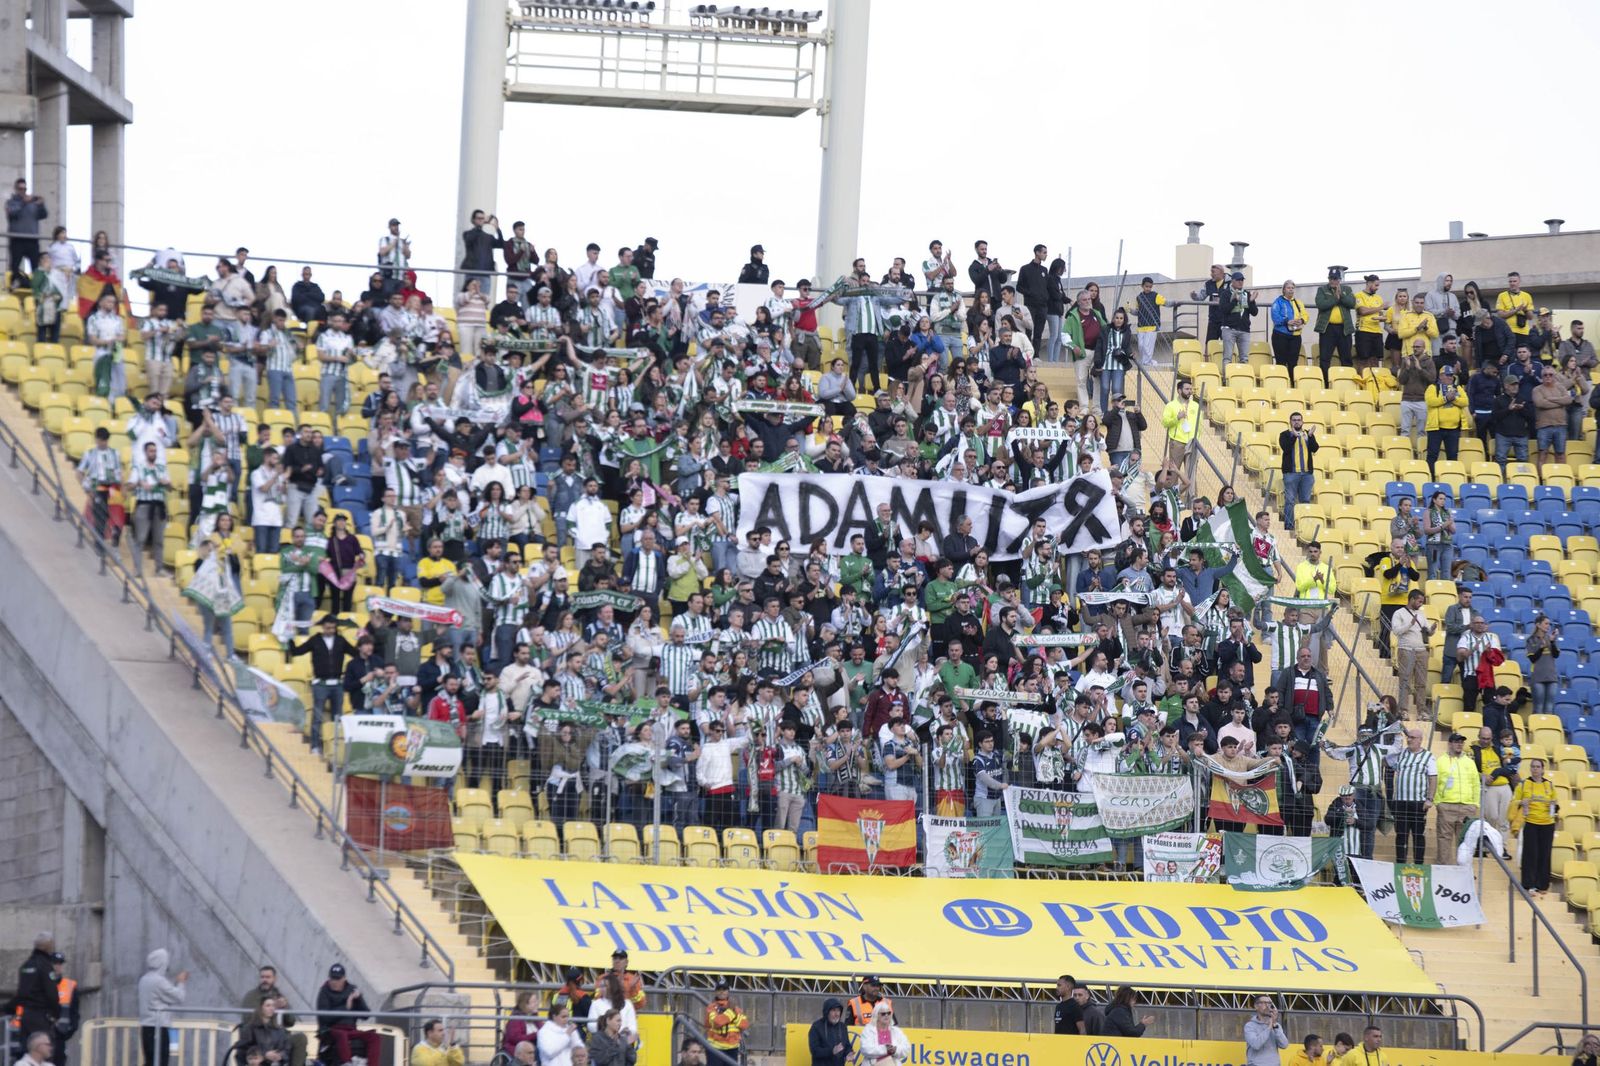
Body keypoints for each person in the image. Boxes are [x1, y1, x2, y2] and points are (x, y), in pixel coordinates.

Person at [1386, 726, 1437, 865]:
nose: (1409, 740)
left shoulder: (1428, 756)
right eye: (1408, 737)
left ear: (1420, 740)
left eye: (1413, 737)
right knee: (1401, 835)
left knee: (1418, 835)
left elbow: (1433, 778)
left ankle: (1418, 864)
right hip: (1401, 801)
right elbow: (1387, 761)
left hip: (1418, 802)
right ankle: (1400, 862)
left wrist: (1430, 799)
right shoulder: (1401, 753)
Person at [238, 965, 308, 1066]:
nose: (264, 980)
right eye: (262, 977)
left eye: (268, 977)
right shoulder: (251, 996)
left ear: (274, 979)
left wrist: (284, 1008)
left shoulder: (278, 995)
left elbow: (290, 1022)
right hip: (260, 1038)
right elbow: (248, 1021)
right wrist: (268, 1012)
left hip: (278, 1036)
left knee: (300, 1038)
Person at [1512, 758, 1559, 895]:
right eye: (1533, 766)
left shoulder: (1549, 785)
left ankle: (1542, 885)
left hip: (1547, 823)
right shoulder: (1524, 784)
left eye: (1538, 767)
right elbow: (1514, 801)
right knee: (1530, 854)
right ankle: (1528, 884)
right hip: (1531, 822)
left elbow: (1555, 804)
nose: (1535, 769)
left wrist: (1554, 806)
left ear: (1543, 769)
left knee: (1545, 854)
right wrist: (1522, 801)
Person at [314, 964, 375, 1066]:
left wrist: (358, 999)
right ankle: (347, 1063)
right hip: (331, 1030)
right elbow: (324, 1018)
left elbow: (366, 1015)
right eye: (332, 978)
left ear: (344, 978)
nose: (335, 982)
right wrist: (346, 1007)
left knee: (374, 1037)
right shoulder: (324, 992)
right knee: (341, 1035)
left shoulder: (352, 989)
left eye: (338, 979)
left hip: (351, 1029)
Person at [1434, 731, 1481, 861]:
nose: (1460, 744)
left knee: (1466, 842)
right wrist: (1439, 803)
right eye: (1456, 742)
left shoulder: (1470, 762)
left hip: (1466, 807)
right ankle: (1443, 870)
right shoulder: (1440, 761)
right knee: (1444, 840)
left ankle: (1463, 871)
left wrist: (1475, 804)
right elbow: (1434, 782)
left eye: (1461, 742)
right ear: (1450, 744)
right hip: (1447, 805)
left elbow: (1476, 784)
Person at [136, 949, 187, 1066]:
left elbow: (163, 995)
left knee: (150, 1061)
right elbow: (178, 997)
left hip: (146, 1027)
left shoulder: (144, 979)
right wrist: (181, 982)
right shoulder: (159, 981)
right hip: (158, 1028)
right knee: (161, 1061)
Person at [1278, 411, 1318, 532]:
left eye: (1299, 420)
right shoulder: (1285, 434)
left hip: (1307, 474)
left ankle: (1304, 529)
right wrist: (1294, 436)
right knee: (1290, 501)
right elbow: (1285, 448)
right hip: (1291, 473)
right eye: (1294, 420)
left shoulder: (1308, 434)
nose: (1297, 422)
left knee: (1305, 501)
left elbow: (1315, 448)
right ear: (1290, 422)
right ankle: (1289, 526)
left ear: (1302, 422)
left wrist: (1310, 437)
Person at [703, 982, 749, 1066]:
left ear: (728, 991)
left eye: (724, 989)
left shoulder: (736, 1008)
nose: (721, 992)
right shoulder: (711, 1007)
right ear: (715, 992)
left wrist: (729, 1016)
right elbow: (717, 1022)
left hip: (732, 1048)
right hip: (715, 1048)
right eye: (719, 989)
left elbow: (744, 1024)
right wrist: (732, 1013)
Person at [1270, 280, 1308, 383]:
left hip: (1295, 336)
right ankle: (1280, 383)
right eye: (1288, 288)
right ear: (1284, 290)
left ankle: (1292, 383)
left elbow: (1305, 314)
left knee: (1293, 362)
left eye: (1292, 288)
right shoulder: (1278, 302)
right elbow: (1275, 317)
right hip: (1280, 335)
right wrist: (1287, 321)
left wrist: (1301, 320)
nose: (1291, 290)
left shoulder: (1298, 302)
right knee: (1281, 361)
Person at [1218, 272, 1259, 365]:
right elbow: (1224, 310)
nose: (1240, 282)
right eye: (1238, 280)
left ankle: (1242, 378)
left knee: (1244, 358)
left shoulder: (1246, 294)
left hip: (1244, 330)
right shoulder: (1226, 293)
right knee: (1227, 357)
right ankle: (1226, 379)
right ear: (1232, 281)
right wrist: (1234, 301)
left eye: (1242, 280)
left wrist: (1251, 301)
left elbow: (1254, 312)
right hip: (1229, 329)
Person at [1244, 995, 1289, 1066]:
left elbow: (1284, 1045)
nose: (1268, 1006)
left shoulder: (1276, 1025)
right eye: (1264, 1003)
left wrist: (1274, 1026)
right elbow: (1256, 1044)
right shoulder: (1250, 1026)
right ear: (1256, 1006)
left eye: (1269, 1003)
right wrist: (1269, 1027)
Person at [807, 998, 850, 1066]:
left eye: (838, 1011)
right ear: (826, 1012)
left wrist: (849, 1053)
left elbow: (847, 1045)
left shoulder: (842, 1027)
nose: (836, 1014)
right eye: (833, 1010)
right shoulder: (816, 1027)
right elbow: (814, 1051)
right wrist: (831, 1051)